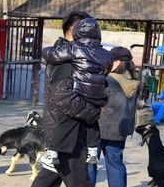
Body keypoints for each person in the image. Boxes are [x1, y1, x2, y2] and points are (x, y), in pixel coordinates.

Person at [6, 11, 125, 187]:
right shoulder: (65, 61)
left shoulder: (80, 60)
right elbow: (62, 99)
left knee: (46, 181)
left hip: (67, 131)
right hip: (66, 132)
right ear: (73, 32)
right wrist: (92, 111)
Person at [38, 15, 113, 168]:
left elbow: (51, 54)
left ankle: (52, 154)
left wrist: (47, 51)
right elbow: (107, 70)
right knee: (92, 123)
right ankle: (93, 152)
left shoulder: (73, 50)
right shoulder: (105, 53)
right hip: (97, 93)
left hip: (80, 94)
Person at [88, 47, 141, 187]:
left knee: (90, 161)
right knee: (116, 162)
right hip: (120, 130)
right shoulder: (134, 82)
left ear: (117, 62)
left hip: (98, 127)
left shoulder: (107, 80)